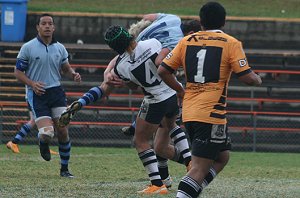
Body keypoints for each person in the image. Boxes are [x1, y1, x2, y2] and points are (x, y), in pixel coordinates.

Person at [59, 14, 201, 184]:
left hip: (154, 97)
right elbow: (161, 61)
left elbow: (133, 86)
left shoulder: (120, 65)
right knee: (166, 133)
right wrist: (180, 89)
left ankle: (158, 182)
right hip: (171, 91)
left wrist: (116, 75)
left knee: (141, 140)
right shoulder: (158, 39)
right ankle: (182, 165)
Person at [157, 2, 262, 197]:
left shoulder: (186, 41)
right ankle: (186, 193)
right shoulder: (230, 43)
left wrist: (181, 90)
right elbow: (248, 77)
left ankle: (192, 191)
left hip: (190, 112)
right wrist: (258, 79)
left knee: (222, 156)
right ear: (224, 21)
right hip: (211, 114)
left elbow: (163, 70)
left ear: (201, 21)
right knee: (198, 168)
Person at [14, 13, 81, 178]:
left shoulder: (60, 47)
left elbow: (66, 68)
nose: (47, 26)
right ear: (38, 27)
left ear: (54, 27)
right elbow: (17, 72)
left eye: (50, 23)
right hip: (38, 93)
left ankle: (64, 170)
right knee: (46, 133)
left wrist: (73, 74)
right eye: (43, 23)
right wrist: (32, 84)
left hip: (56, 92)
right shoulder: (28, 47)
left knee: (63, 131)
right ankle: (42, 143)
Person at [6, 87, 58, 155]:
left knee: (37, 121)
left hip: (38, 97)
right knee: (35, 121)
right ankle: (14, 142)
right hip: (34, 97)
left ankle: (43, 147)